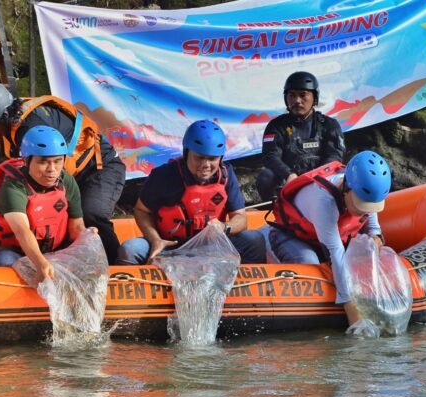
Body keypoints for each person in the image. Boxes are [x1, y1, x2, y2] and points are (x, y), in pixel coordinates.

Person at [0, 80, 126, 264]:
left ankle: (116, 268)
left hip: (99, 167)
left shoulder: (33, 129)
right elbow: (16, 175)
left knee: (92, 214)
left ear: (2, 115)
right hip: (64, 172)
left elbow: (50, 174)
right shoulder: (10, 128)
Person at [268, 150, 391, 328]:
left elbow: (374, 230)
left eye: (370, 205)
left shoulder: (368, 191)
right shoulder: (323, 200)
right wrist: (351, 309)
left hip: (323, 239)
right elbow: (336, 252)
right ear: (347, 188)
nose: (366, 210)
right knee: (310, 262)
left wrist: (375, 243)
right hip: (291, 237)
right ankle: (271, 253)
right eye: (362, 203)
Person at [117, 120, 266, 265]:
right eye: (199, 158)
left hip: (212, 247)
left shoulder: (227, 175)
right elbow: (142, 211)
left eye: (212, 159)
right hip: (170, 245)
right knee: (130, 250)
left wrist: (224, 227)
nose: (206, 165)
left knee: (255, 240)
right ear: (187, 153)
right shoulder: (163, 175)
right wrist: (155, 239)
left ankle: (242, 286)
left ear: (221, 158)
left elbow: (240, 218)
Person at [0, 125, 94, 283]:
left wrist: (86, 235)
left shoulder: (67, 181)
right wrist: (41, 264)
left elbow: (76, 227)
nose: (52, 170)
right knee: (3, 259)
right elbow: (22, 231)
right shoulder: (13, 188)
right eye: (43, 162)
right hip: (14, 251)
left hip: (53, 252)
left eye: (58, 161)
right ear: (27, 161)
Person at [256, 71, 345, 202]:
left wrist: (317, 176)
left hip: (322, 180)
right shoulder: (276, 126)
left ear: (315, 98)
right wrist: (289, 174)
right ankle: (277, 212)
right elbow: (270, 156)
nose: (297, 100)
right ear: (286, 98)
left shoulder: (329, 124)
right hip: (290, 182)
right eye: (292, 95)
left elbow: (336, 155)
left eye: (303, 95)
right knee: (265, 176)